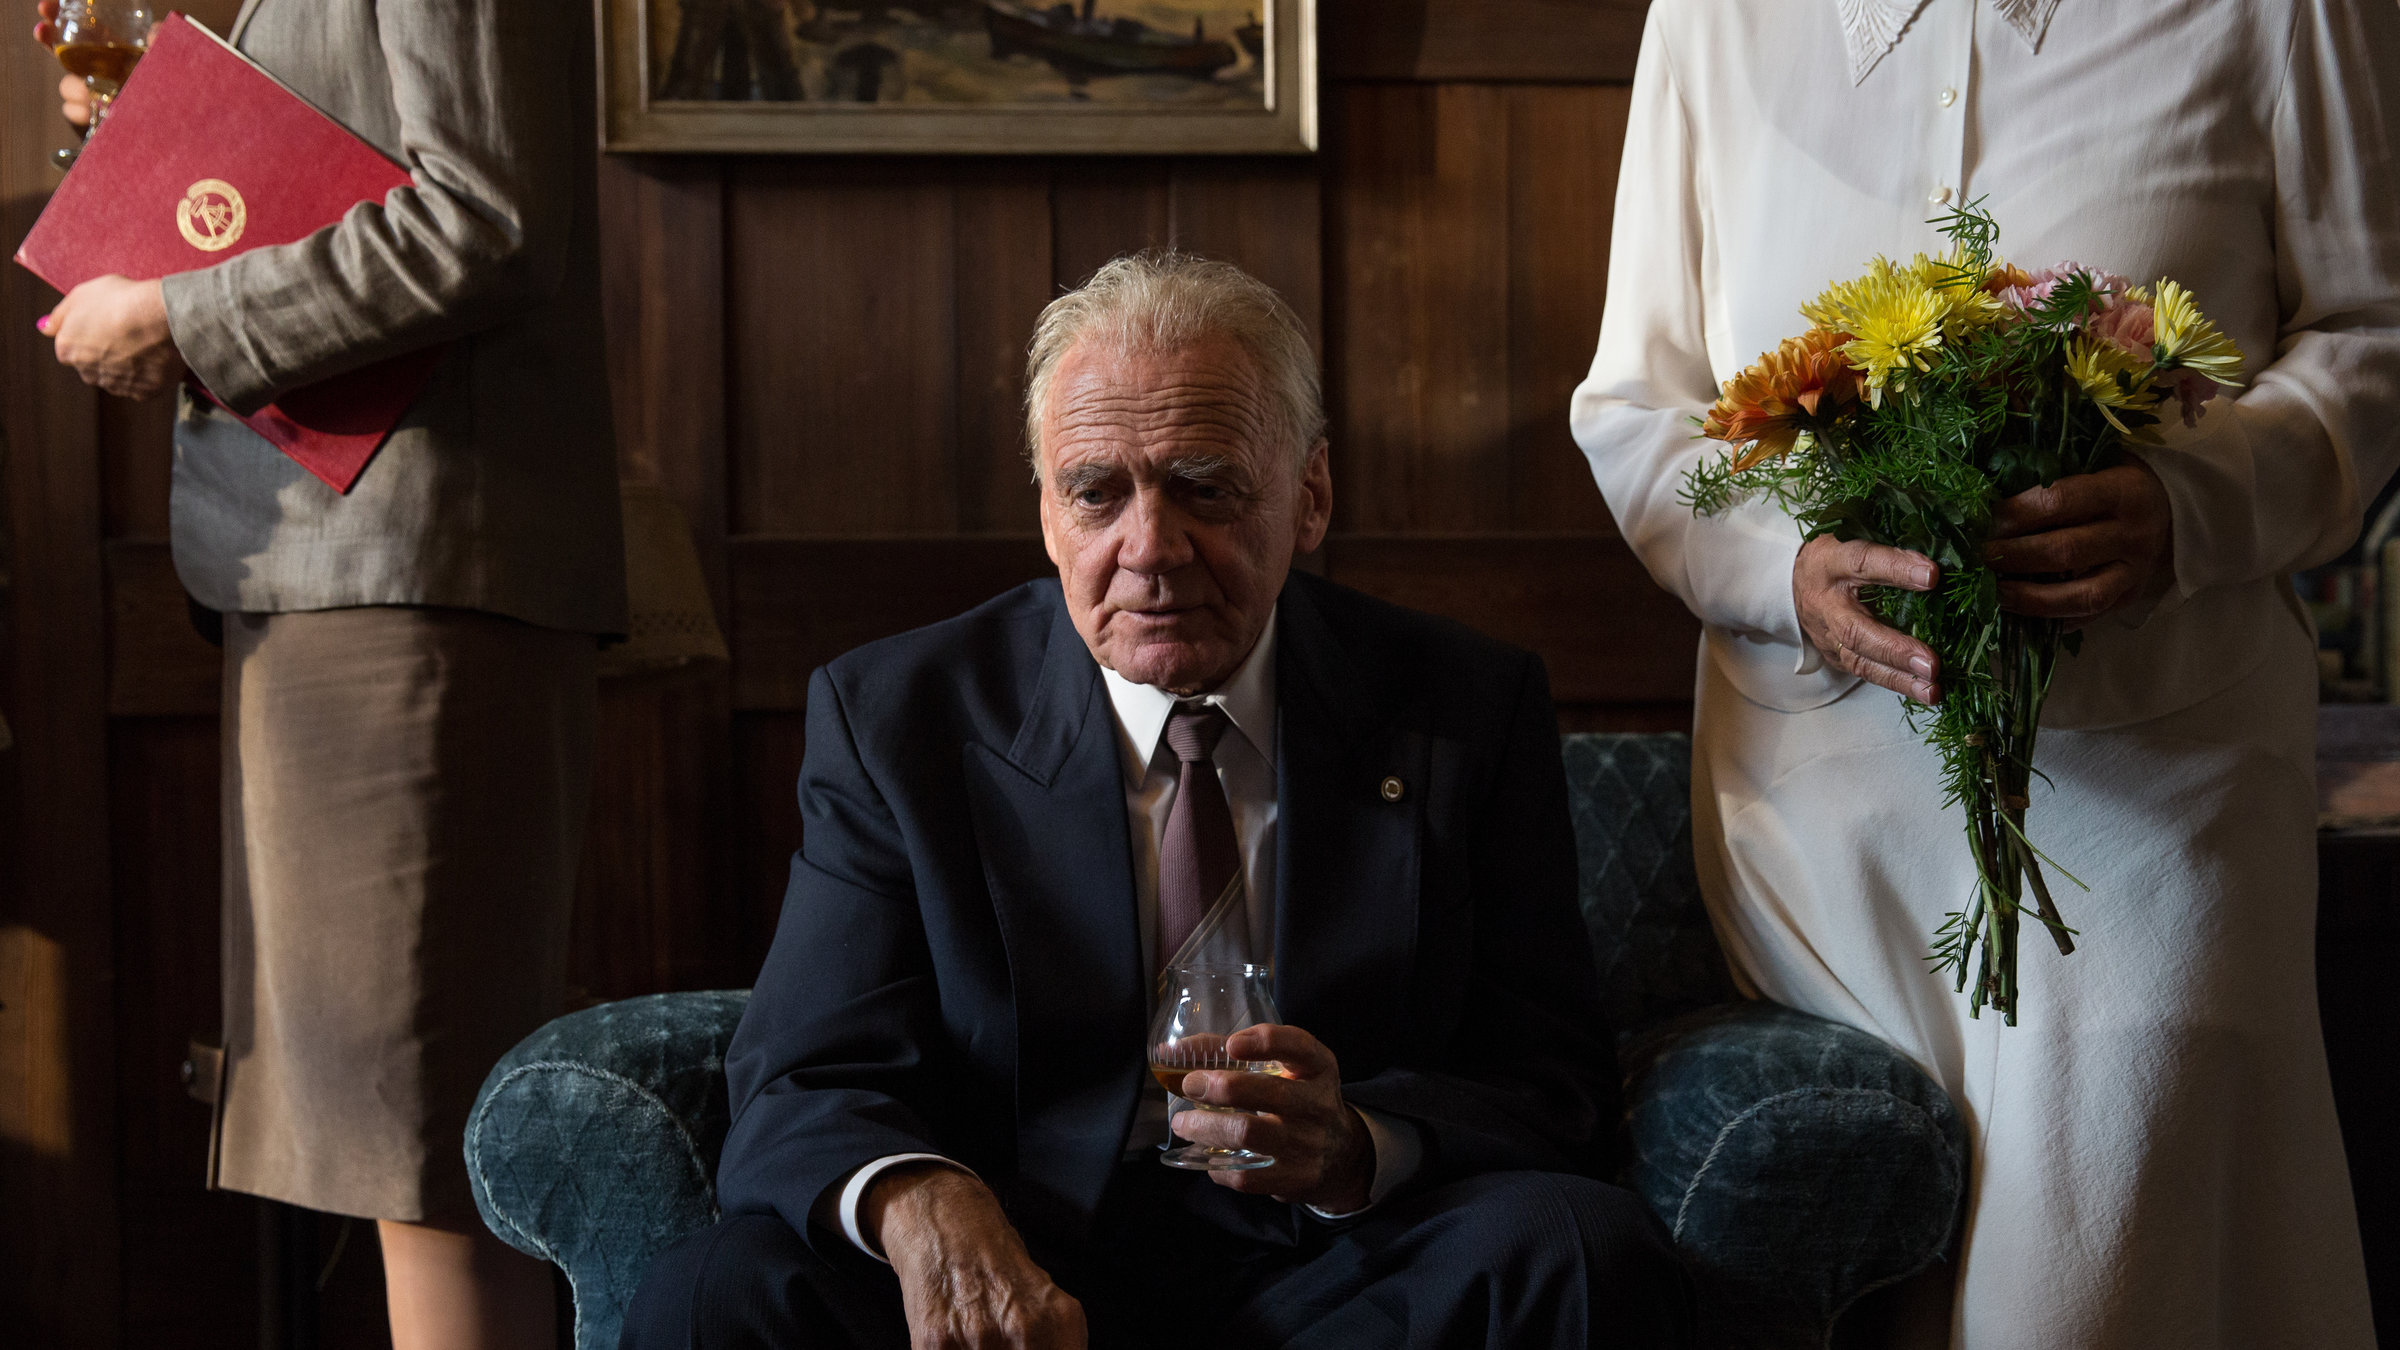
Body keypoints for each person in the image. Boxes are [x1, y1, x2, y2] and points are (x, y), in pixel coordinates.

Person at [620, 252, 1692, 1350]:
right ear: (1046, 514)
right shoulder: (898, 719)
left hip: (1341, 1264)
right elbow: (805, 1070)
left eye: (1205, 486)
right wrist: (922, 1202)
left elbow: (1551, 1078)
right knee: (718, 1294)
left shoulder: (1464, 703)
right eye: (1097, 493)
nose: (1149, 550)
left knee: (1577, 1249)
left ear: (1309, 496)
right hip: (1019, 1257)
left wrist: (1362, 1142)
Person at [1573, 2, 2400, 1345]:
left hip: (2162, 773)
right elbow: (1634, 407)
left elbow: (2376, 332)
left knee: (2101, 1246)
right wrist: (1783, 565)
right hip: (1814, 796)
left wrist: (2194, 505)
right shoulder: (1714, 20)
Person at [31, 0, 626, 1345]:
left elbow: (483, 219)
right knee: (388, 1142)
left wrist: (186, 314)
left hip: (409, 577)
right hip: (335, 573)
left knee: (423, 1150)